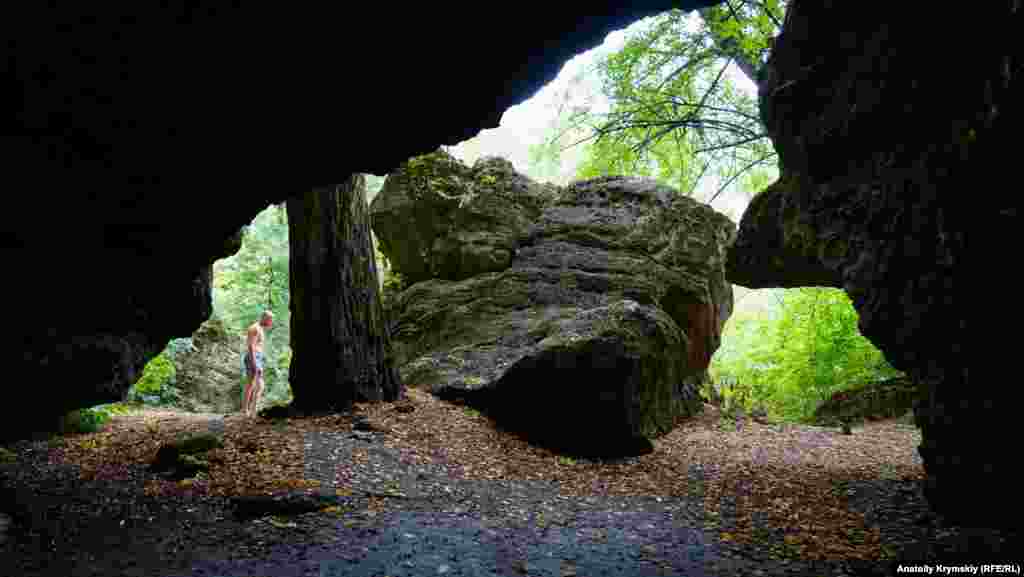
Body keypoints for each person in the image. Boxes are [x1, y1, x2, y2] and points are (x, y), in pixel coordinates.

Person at [242, 310, 273, 417]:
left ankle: (252, 410)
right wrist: (255, 363)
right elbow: (251, 346)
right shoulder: (254, 328)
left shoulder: (259, 329)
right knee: (252, 384)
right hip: (253, 357)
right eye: (270, 320)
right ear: (265, 318)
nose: (271, 322)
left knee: (258, 385)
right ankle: (247, 410)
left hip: (257, 357)